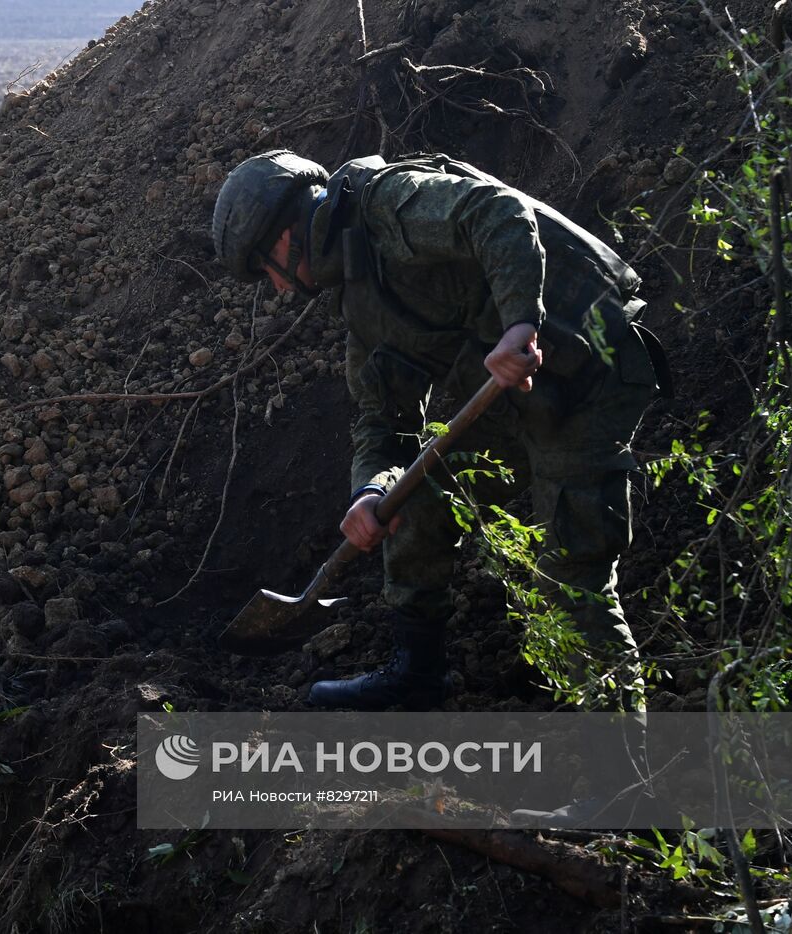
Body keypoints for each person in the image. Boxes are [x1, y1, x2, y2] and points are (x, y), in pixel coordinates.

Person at [211, 150, 669, 713]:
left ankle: (622, 785)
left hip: (589, 365)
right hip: (519, 390)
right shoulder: (359, 294)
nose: (277, 288)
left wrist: (519, 321)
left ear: (284, 235)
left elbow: (496, 212)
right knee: (418, 498)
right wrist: (371, 491)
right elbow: (381, 417)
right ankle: (416, 676)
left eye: (264, 269)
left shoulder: (388, 203)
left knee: (571, 579)